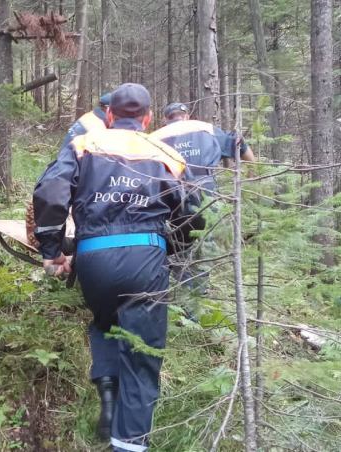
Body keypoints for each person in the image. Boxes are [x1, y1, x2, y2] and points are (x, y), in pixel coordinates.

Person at [33, 83, 191, 451]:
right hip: (146, 258)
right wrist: (178, 250)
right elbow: (191, 211)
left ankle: (107, 393)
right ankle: (129, 443)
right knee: (143, 356)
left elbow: (49, 193)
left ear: (108, 115)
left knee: (105, 320)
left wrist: (52, 248)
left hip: (93, 258)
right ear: (149, 118)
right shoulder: (164, 152)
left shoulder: (84, 145)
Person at [151, 103, 255, 287]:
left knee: (175, 245)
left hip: (170, 196)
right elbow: (239, 143)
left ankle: (175, 291)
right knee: (203, 249)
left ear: (165, 118)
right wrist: (253, 171)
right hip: (206, 196)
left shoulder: (154, 138)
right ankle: (197, 293)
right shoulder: (206, 129)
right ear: (186, 116)